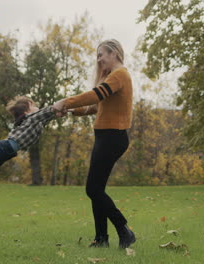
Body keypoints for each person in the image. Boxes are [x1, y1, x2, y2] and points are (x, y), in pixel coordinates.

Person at [52, 39, 135, 249]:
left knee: (93, 189)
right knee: (97, 188)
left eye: (101, 55)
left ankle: (123, 229)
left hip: (112, 137)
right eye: (97, 56)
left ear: (114, 53)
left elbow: (95, 95)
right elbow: (98, 106)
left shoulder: (120, 75)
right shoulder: (113, 78)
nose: (99, 60)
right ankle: (101, 239)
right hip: (105, 137)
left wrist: (66, 101)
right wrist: (73, 111)